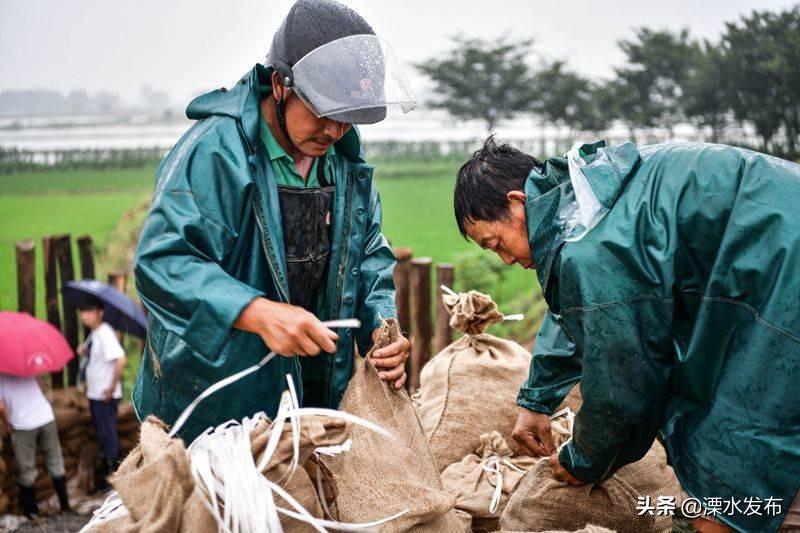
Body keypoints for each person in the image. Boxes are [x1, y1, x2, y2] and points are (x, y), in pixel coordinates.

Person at [452, 136, 800, 532]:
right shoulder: (588, 195)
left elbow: (623, 384)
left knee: (727, 477)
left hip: (783, 282)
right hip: (773, 249)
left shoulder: (592, 243)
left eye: (496, 243)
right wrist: (536, 400)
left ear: (518, 203)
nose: (507, 259)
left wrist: (583, 460)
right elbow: (580, 309)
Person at [133, 0, 416, 443]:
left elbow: (368, 257)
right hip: (215, 396)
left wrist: (384, 326)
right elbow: (163, 263)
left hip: (312, 389)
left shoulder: (342, 163)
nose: (334, 131)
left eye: (347, 119)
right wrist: (257, 313)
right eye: (324, 111)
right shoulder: (217, 152)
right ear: (281, 85)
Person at [0, 374, 71, 518]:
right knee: (55, 461)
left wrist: (7, 425)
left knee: (26, 469)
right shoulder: (25, 369)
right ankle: (65, 506)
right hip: (46, 418)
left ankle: (32, 513)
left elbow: (1, 407)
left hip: (22, 425)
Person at [77, 298, 126, 490]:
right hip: (96, 393)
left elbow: (120, 360)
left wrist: (111, 388)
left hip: (105, 395)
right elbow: (99, 360)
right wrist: (85, 352)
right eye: (83, 311)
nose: (85, 315)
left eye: (89, 311)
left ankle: (114, 481)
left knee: (108, 435)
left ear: (100, 313)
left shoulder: (105, 333)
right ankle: (110, 477)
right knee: (103, 434)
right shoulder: (94, 334)